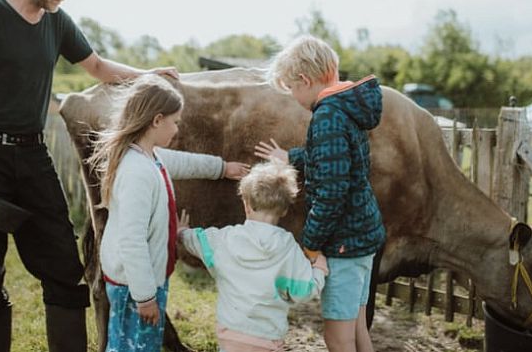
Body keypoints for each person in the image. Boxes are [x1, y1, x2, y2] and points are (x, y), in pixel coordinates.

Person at [0, 0, 178, 352]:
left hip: (32, 156)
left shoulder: (56, 22)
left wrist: (148, 75)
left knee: (64, 269)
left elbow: (97, 66)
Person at [89, 74, 250, 352]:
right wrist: (145, 297)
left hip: (142, 280)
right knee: (133, 347)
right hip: (134, 286)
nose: (177, 129)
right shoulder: (137, 172)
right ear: (156, 120)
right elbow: (132, 240)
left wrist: (222, 168)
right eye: (175, 122)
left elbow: (183, 163)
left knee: (138, 344)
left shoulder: (148, 156)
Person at [253, 35, 385, 352]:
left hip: (343, 247)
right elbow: (341, 159)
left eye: (292, 88)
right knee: (357, 331)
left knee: (338, 339)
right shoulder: (346, 107)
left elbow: (330, 194)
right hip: (363, 238)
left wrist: (310, 246)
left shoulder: (326, 116)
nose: (294, 96)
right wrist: (293, 158)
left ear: (305, 80)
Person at [178, 161, 328, 352]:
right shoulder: (287, 247)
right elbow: (305, 290)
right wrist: (319, 269)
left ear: (246, 205)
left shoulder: (226, 238)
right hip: (268, 339)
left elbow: (198, 240)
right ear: (284, 210)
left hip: (230, 335)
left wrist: (182, 233)